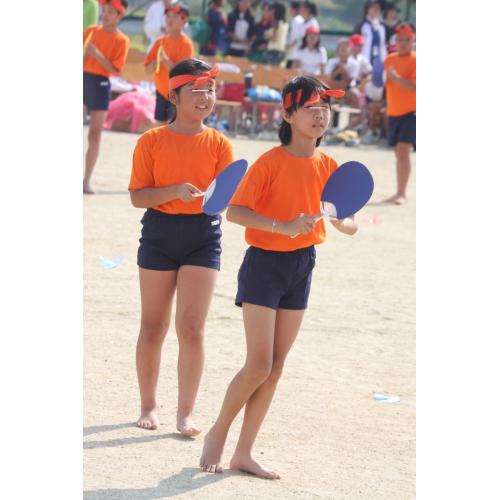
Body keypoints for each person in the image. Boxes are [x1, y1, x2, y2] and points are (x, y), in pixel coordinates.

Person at [199, 75, 358, 478]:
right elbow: (236, 212)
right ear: (288, 115)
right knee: (258, 365)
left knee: (276, 366)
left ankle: (244, 453)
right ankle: (218, 432)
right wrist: (281, 226)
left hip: (302, 265)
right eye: (311, 108)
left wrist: (342, 223)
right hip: (265, 265)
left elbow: (349, 220)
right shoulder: (270, 162)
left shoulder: (329, 166)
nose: (320, 115)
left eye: (325, 108)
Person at [128, 58, 235, 435]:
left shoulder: (220, 144)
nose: (206, 97)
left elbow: (225, 199)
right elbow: (138, 197)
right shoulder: (151, 141)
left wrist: (216, 198)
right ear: (173, 96)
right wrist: (173, 191)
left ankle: (185, 412)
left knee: (191, 328)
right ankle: (148, 405)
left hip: (203, 237)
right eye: (197, 90)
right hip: (159, 233)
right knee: (153, 325)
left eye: (211, 90)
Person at [83, 0, 130, 194]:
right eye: (104, 10)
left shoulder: (122, 40)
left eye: (111, 11)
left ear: (120, 15)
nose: (106, 14)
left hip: (101, 84)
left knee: (95, 134)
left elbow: (115, 70)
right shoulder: (91, 30)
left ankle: (86, 180)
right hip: (83, 78)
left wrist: (96, 54)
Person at [144, 3, 194, 125]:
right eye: (168, 16)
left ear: (184, 20)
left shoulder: (186, 44)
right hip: (161, 91)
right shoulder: (160, 42)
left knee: (173, 127)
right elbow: (147, 70)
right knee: (159, 126)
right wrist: (154, 63)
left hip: (177, 93)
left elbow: (181, 73)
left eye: (175, 17)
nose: (170, 20)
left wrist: (165, 60)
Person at [383, 23, 416, 205]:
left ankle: (401, 193)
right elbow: (387, 85)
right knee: (398, 154)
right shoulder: (389, 59)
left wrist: (396, 78)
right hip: (393, 112)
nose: (403, 43)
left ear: (413, 41)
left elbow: (415, 87)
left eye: (407, 39)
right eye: (400, 39)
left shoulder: (416, 60)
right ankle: (399, 191)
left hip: (411, 112)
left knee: (403, 152)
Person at [266, 2, 289, 66]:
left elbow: (274, 38)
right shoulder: (286, 23)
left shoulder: (276, 23)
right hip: (281, 51)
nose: (271, 12)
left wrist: (266, 35)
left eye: (273, 10)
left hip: (274, 52)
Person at [285, 1, 304, 68]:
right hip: (297, 53)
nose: (289, 10)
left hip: (294, 54)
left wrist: (289, 46)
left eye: (290, 8)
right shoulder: (300, 19)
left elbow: (297, 38)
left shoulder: (296, 20)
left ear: (295, 10)